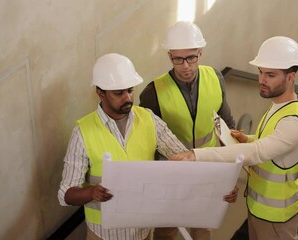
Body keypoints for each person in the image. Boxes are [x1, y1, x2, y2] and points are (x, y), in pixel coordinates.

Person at [57, 53, 238, 240]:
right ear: (100, 92)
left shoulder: (149, 119)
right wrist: (92, 192)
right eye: (118, 93)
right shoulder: (83, 132)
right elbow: (66, 194)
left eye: (130, 90)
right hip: (103, 235)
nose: (127, 98)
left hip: (142, 233)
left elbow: (186, 161)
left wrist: (220, 186)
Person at [170, 36, 298, 240]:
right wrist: (247, 138)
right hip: (260, 209)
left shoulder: (295, 122)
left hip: (276, 218)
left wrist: (196, 155)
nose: (262, 80)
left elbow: (258, 152)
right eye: (261, 72)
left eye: (270, 75)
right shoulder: (280, 105)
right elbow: (270, 142)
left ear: (291, 77)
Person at [139, 21, 236, 240]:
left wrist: (229, 170)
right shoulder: (153, 92)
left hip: (206, 168)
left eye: (191, 57)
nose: (185, 66)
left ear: (200, 54)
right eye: (178, 59)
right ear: (169, 57)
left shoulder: (215, 78)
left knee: (202, 227)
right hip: (171, 174)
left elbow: (226, 123)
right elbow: (147, 142)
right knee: (167, 230)